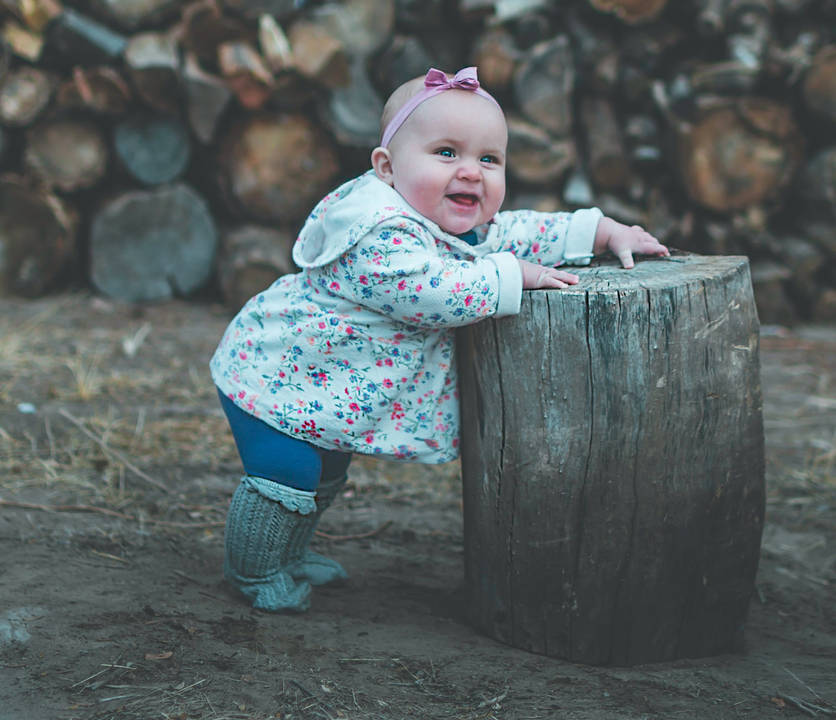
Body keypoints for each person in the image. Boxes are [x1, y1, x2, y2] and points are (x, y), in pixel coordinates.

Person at [210, 67, 669, 613]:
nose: (471, 173)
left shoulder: (451, 223)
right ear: (386, 167)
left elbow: (520, 230)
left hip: (318, 388)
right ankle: (256, 570)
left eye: (489, 159)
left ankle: (288, 551)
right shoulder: (377, 230)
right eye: (447, 153)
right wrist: (508, 275)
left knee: (328, 466)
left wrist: (600, 231)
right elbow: (433, 292)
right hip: (273, 378)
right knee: (289, 471)